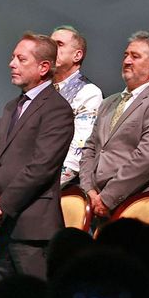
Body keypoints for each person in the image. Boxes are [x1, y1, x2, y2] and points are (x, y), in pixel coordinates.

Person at [0, 33, 75, 280]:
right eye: (13, 57)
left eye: (21, 59)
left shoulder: (56, 109)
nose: (12, 64)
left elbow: (41, 167)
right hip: (5, 226)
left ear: (44, 67)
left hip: (33, 228)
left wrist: (3, 203)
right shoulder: (12, 106)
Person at [78, 32, 149, 221]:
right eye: (126, 55)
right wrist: (89, 190)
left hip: (140, 206)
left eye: (135, 56)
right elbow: (90, 149)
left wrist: (107, 198)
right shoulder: (108, 102)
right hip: (98, 206)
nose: (127, 61)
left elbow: (147, 158)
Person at [50, 25, 102, 187]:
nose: (51, 50)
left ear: (77, 55)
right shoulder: (39, 91)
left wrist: (40, 188)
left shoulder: (88, 93)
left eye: (59, 44)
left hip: (61, 189)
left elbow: (78, 151)